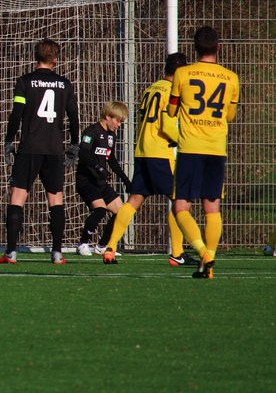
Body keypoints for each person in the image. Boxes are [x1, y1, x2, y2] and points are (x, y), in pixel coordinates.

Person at [102, 53, 195, 266]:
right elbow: (167, 125)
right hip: (161, 153)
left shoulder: (150, 89)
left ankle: (110, 247)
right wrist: (185, 140)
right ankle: (178, 253)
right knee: (180, 200)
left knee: (134, 200)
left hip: (143, 151)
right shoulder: (172, 92)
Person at [0, 38, 79, 265]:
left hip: (29, 149)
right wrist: (74, 144)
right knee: (56, 199)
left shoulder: (25, 81)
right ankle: (57, 253)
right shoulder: (65, 84)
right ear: (55, 60)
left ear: (36, 57)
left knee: (17, 197)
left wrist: (9, 141)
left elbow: (17, 114)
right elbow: (74, 116)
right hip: (54, 150)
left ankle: (11, 253)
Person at [168, 26, 240, 279]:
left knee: (181, 207)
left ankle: (203, 253)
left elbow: (172, 110)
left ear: (194, 48)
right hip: (216, 149)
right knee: (212, 208)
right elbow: (229, 115)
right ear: (218, 47)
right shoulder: (231, 77)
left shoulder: (183, 73)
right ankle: (208, 262)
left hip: (190, 147)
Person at [74, 102, 130, 259]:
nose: (118, 125)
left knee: (122, 212)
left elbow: (110, 159)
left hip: (100, 182)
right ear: (107, 116)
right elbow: (83, 153)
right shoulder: (91, 131)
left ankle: (102, 246)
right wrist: (98, 167)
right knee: (100, 210)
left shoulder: (112, 136)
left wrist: (125, 180)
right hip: (86, 180)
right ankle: (82, 244)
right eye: (117, 120)